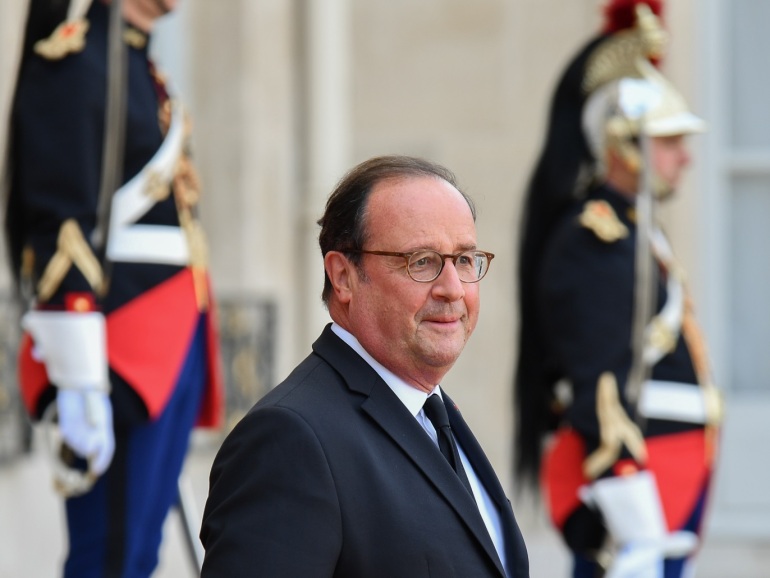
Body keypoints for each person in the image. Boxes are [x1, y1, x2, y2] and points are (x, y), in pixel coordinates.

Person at [200, 155, 530, 577]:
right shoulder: (290, 440)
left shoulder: (435, 416)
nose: (453, 290)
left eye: (465, 260)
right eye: (422, 262)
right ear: (343, 277)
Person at [5, 0, 223, 575]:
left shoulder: (144, 71)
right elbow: (58, 220)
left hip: (173, 333)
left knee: (140, 551)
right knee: (110, 558)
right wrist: (78, 375)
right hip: (121, 346)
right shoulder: (76, 63)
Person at [513, 2, 722, 577]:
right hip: (637, 487)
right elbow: (601, 383)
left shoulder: (633, 231)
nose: (685, 156)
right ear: (623, 143)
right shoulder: (596, 238)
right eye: (669, 139)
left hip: (670, 469)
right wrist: (632, 511)